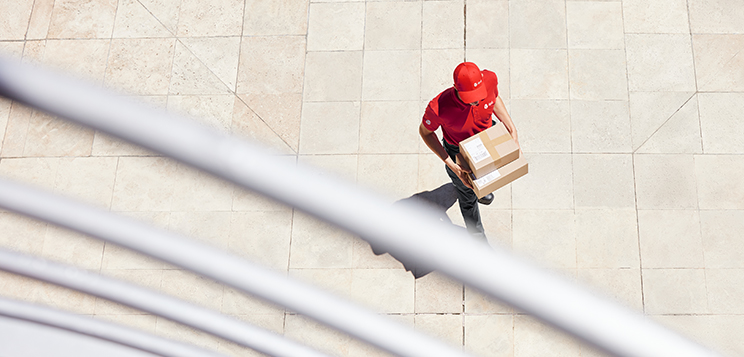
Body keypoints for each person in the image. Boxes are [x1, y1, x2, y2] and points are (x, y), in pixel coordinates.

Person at [419, 62, 519, 239]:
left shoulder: (490, 79)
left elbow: (494, 99)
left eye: (479, 95)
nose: (477, 101)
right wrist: (451, 165)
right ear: (455, 89)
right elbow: (425, 133)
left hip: (486, 139)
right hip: (458, 151)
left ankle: (483, 189)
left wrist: (511, 126)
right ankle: (477, 237)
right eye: (471, 97)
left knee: (488, 173)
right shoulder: (438, 107)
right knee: (466, 194)